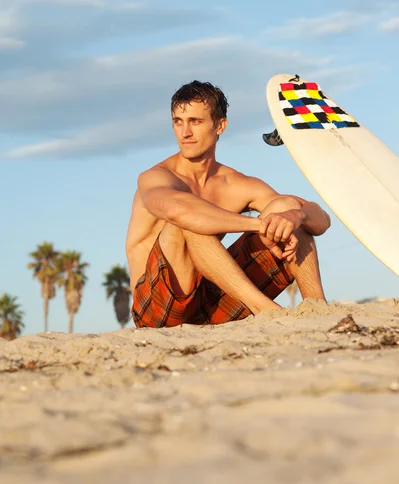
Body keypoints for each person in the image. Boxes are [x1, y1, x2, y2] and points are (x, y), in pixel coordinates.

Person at [126, 81, 330, 328]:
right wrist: (259, 225)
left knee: (285, 208)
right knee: (188, 221)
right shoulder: (157, 177)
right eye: (178, 122)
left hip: (214, 303)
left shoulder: (235, 183)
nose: (184, 132)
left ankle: (318, 310)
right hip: (159, 311)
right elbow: (180, 211)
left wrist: (293, 217)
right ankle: (267, 310)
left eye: (195, 121)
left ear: (220, 125)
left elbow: (320, 219)